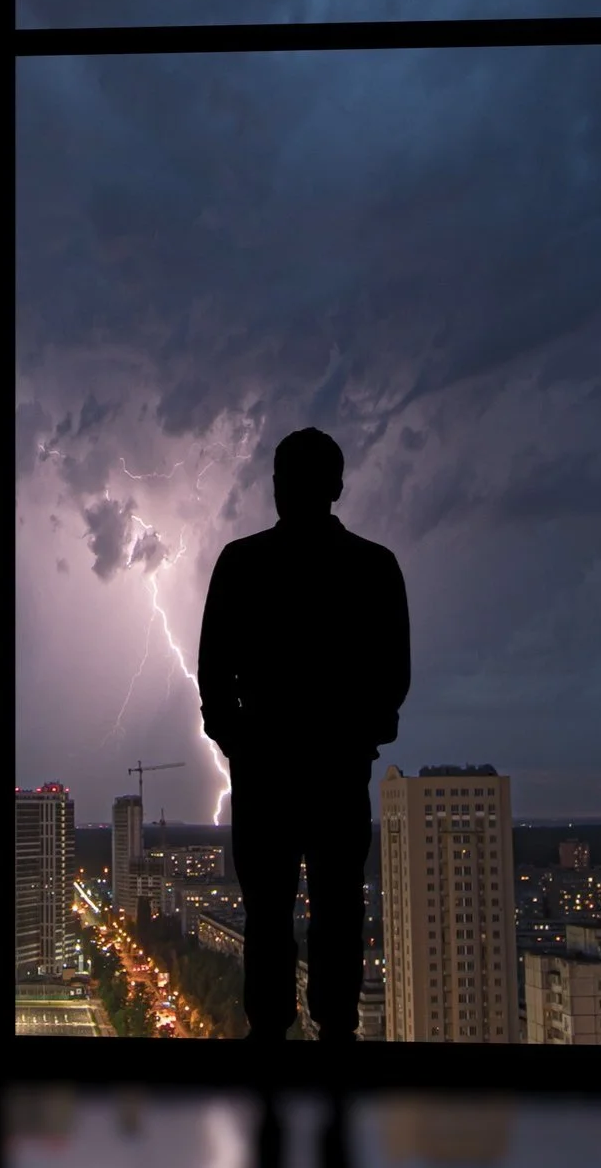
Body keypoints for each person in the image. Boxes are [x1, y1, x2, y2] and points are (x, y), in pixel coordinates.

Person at [197, 427, 410, 1043]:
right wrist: (355, 738)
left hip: (269, 772)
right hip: (336, 770)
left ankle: (271, 1034)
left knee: (270, 911)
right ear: (337, 487)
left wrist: (242, 742)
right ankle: (334, 1033)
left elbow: (213, 673)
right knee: (335, 910)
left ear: (276, 487)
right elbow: (393, 677)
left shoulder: (242, 563)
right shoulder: (373, 567)